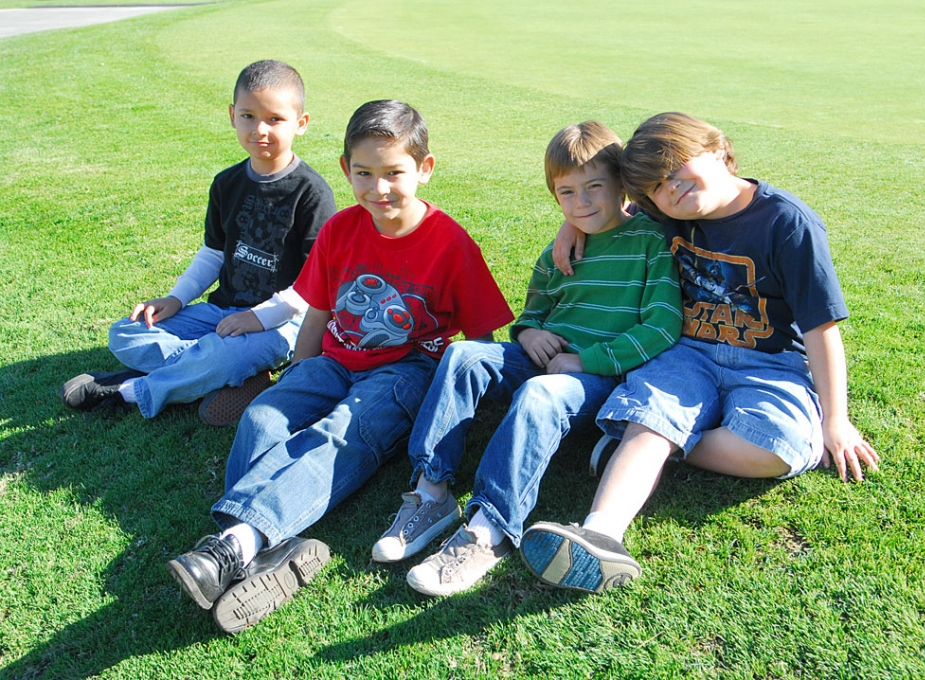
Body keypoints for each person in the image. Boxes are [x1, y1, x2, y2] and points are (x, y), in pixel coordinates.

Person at [165, 100, 514, 632]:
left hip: (404, 376)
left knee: (337, 432)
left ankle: (231, 547)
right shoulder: (340, 230)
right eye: (363, 173)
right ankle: (264, 552)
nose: (379, 189)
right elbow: (320, 309)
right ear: (346, 168)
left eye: (394, 173)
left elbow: (483, 337)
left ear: (424, 169)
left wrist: (468, 416)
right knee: (262, 418)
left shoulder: (450, 242)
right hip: (333, 360)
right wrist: (299, 375)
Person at [521, 112, 880, 595]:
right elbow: (605, 213)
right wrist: (570, 228)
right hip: (688, 349)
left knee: (782, 447)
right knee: (653, 413)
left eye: (677, 170)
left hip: (768, 363)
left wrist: (837, 421)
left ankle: (635, 446)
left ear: (717, 149)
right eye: (658, 187)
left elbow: (821, 328)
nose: (672, 189)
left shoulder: (786, 222)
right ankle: (602, 533)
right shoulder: (667, 212)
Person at [370, 121, 682, 597]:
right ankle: (431, 490)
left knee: (541, 392)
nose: (581, 203)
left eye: (595, 187)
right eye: (567, 193)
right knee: (463, 356)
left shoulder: (650, 242)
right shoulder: (561, 248)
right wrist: (530, 331)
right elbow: (535, 309)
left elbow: (661, 326)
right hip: (545, 359)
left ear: (620, 184)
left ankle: (488, 529)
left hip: (599, 377)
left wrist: (587, 360)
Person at [60, 60, 336, 426]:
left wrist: (259, 317)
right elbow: (213, 252)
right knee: (125, 332)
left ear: (300, 124)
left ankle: (130, 390)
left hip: (283, 324)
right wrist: (176, 299)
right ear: (232, 116)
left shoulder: (312, 193)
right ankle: (221, 373)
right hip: (220, 314)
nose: (260, 129)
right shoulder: (227, 183)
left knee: (227, 357)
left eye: (275, 119)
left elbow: (316, 283)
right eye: (249, 116)